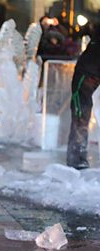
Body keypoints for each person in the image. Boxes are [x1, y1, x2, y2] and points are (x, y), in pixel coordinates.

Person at [67, 23, 100, 170]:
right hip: (86, 75)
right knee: (81, 114)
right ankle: (76, 157)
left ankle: (78, 155)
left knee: (82, 114)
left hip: (92, 73)